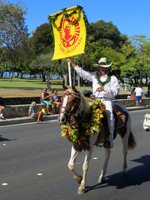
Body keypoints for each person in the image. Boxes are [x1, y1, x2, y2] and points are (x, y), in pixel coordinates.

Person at [67, 57, 120, 148]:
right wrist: (73, 64)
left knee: (110, 115)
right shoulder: (95, 75)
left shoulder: (113, 78)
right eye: (101, 67)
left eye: (104, 67)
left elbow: (116, 91)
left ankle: (109, 138)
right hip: (95, 99)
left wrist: (105, 88)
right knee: (83, 112)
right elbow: (83, 73)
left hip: (107, 100)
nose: (102, 69)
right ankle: (83, 134)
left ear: (108, 68)